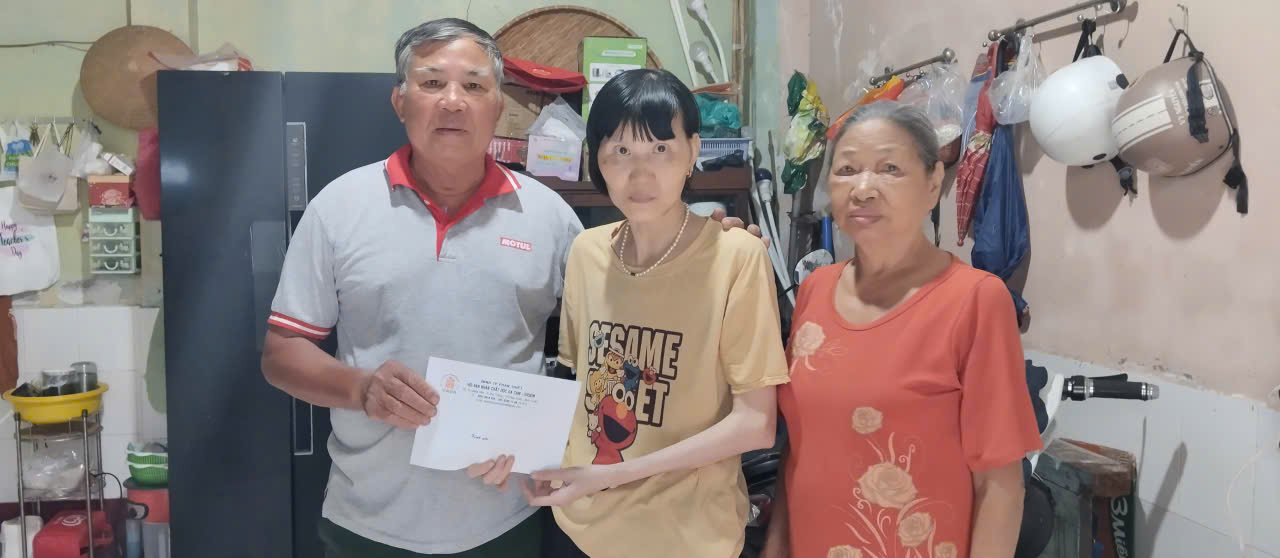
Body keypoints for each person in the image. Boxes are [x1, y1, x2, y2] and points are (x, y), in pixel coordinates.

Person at [260, 18, 759, 558]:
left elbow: (617, 329)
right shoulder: (339, 208)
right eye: (432, 82)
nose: (453, 101)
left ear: (498, 107)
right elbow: (282, 353)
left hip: (507, 518)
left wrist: (707, 242)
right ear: (400, 101)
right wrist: (361, 389)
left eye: (474, 85)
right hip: (367, 521)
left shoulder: (550, 218)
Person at [515, 69, 791, 558]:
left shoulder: (736, 257)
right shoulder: (586, 252)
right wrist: (533, 457)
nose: (640, 174)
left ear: (692, 151)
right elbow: (581, 389)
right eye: (621, 151)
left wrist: (613, 474)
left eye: (660, 149)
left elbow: (756, 424)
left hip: (685, 538)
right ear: (597, 158)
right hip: (580, 523)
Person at [761, 101, 1042, 558]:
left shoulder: (974, 300)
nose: (863, 188)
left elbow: (1000, 487)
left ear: (932, 183)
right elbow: (799, 451)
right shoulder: (814, 288)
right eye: (847, 170)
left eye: (889, 169)